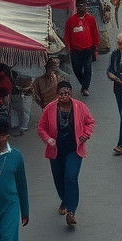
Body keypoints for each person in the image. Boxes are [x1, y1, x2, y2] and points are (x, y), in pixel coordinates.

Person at [37, 81, 95, 228]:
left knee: (70, 177)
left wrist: (85, 135)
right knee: (59, 179)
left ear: (71, 93)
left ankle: (71, 211)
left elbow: (90, 122)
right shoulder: (50, 108)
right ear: (57, 95)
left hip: (74, 150)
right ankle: (65, 200)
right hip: (55, 150)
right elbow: (41, 127)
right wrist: (48, 139)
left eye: (67, 93)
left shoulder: (80, 107)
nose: (64, 96)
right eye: (61, 94)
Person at [64, 0, 101, 96]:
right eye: (80, 6)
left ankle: (85, 88)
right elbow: (67, 35)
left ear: (86, 7)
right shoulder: (71, 20)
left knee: (88, 68)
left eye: (84, 6)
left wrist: (96, 46)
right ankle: (83, 83)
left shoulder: (91, 19)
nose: (82, 8)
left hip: (88, 49)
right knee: (76, 69)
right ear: (77, 7)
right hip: (75, 50)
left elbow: (94, 33)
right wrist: (68, 47)